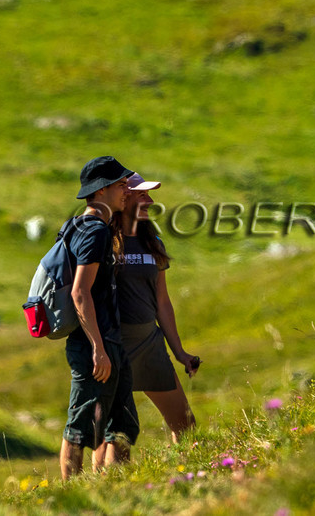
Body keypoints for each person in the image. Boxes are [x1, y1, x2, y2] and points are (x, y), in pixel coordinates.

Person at [97, 173, 201, 457]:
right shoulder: (102, 239)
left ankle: (189, 477)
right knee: (116, 437)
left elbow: (162, 301)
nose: (150, 201)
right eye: (142, 195)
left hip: (149, 343)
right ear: (124, 197)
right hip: (115, 344)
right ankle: (105, 491)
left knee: (186, 425)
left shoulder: (152, 240)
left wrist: (179, 352)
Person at [60, 156, 142, 480]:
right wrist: (97, 347)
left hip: (109, 342)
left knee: (122, 426)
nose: (127, 189)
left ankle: (113, 492)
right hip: (95, 345)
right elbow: (80, 293)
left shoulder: (80, 226)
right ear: (103, 189)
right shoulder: (94, 232)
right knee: (80, 429)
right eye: (122, 184)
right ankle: (72, 500)